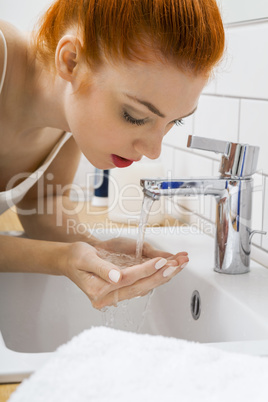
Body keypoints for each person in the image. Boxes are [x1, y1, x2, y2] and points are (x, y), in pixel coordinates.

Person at [0, 0, 225, 309]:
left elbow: (42, 202)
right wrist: (62, 258)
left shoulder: (72, 117)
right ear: (71, 61)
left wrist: (96, 250)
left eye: (175, 121)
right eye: (134, 116)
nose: (153, 150)